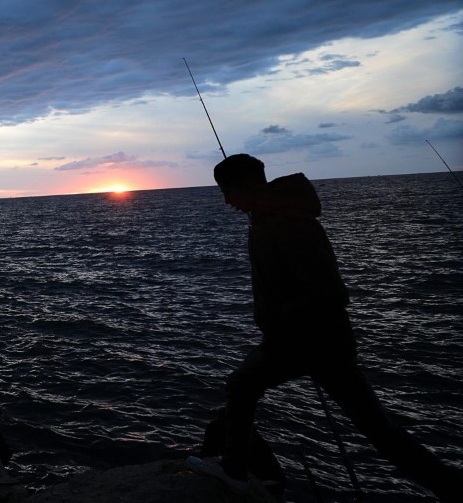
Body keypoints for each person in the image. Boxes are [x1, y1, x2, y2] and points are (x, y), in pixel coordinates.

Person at [188, 154, 462, 501]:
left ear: (246, 186)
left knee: (242, 386)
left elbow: (330, 291)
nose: (226, 201)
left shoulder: (287, 223)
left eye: (227, 191)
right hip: (315, 342)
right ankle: (452, 487)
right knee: (381, 433)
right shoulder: (268, 218)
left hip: (308, 341)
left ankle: (235, 472)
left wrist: (282, 321)